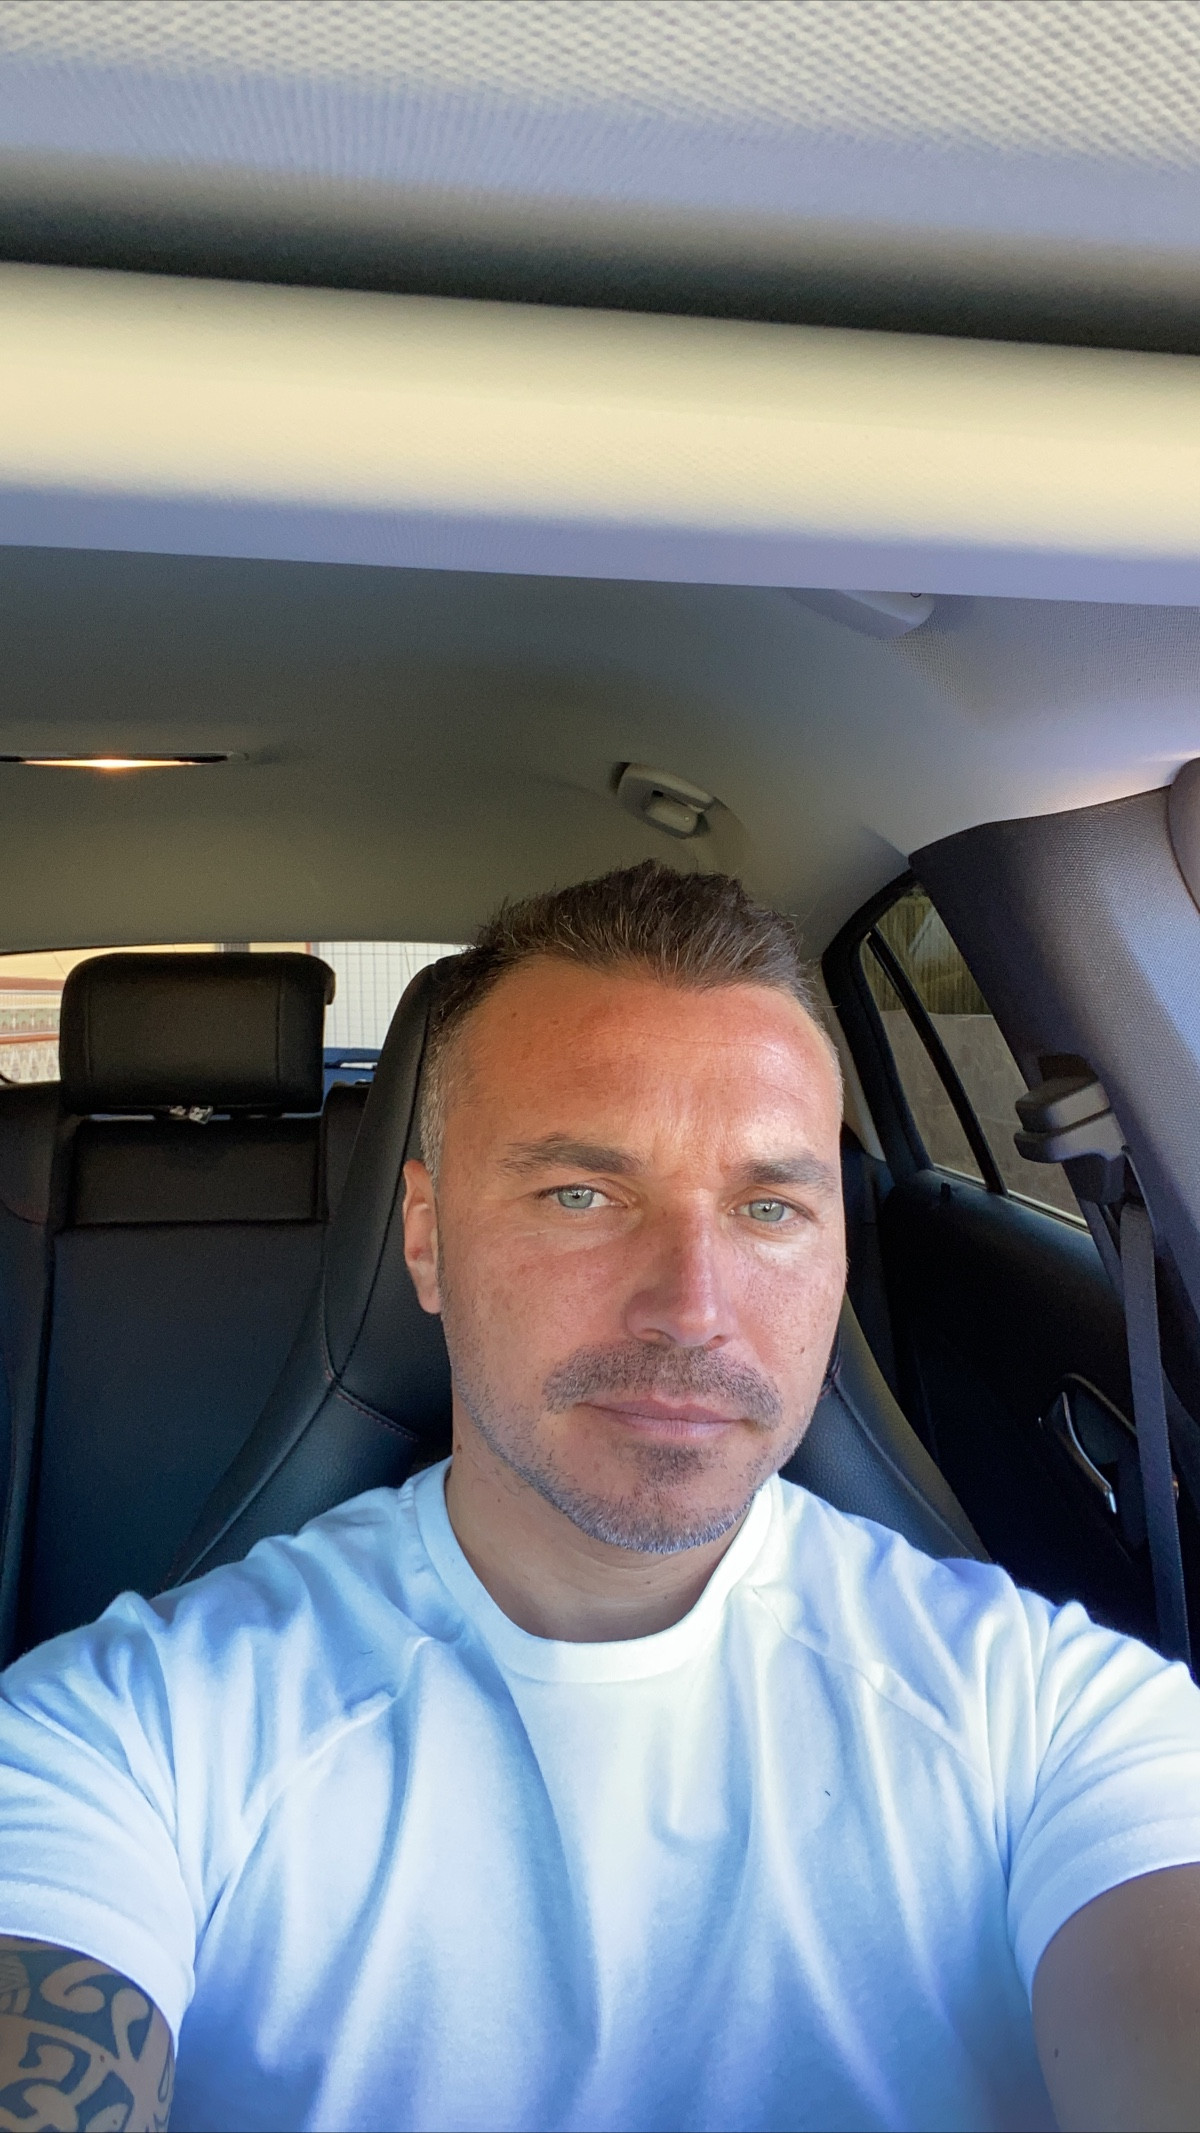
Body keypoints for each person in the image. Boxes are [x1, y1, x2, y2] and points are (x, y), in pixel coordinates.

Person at [1, 861, 1199, 2133]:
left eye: (769, 1206)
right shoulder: (123, 1742)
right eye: (581, 1194)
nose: (692, 1307)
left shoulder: (1057, 1720)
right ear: (425, 1239)